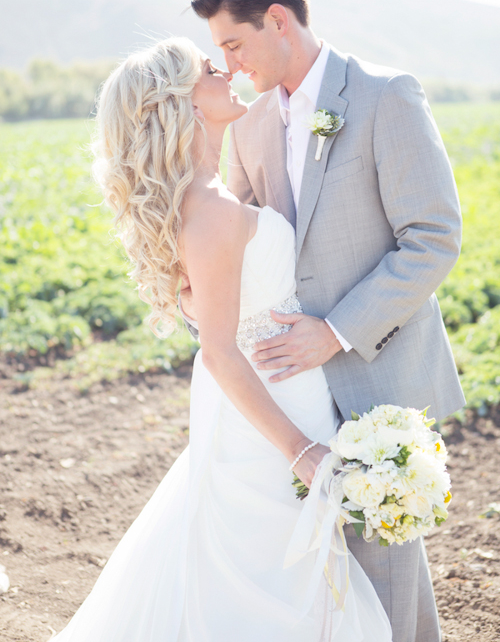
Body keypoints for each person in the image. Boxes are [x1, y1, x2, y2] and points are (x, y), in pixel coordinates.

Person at [49, 36, 393, 641]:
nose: (227, 70)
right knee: (262, 577)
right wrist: (299, 449)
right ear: (181, 102)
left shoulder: (212, 192)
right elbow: (218, 350)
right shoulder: (207, 207)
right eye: (210, 69)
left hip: (280, 393)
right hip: (264, 421)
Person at [185, 0, 466, 642]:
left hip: (376, 373)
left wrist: (336, 331)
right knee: (313, 579)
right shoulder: (248, 126)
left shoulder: (384, 95)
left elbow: (432, 238)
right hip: (290, 392)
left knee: (386, 568)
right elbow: (251, 250)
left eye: (232, 44)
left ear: (277, 20)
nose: (227, 64)